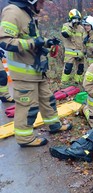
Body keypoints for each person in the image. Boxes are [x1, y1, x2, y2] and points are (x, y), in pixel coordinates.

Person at [0, 0, 72, 147]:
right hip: (24, 73)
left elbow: (31, 38)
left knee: (48, 99)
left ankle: (54, 125)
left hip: (36, 71)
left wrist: (47, 42)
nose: (42, 5)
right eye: (41, 1)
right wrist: (34, 43)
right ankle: (25, 139)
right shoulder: (13, 12)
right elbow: (6, 41)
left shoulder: (27, 14)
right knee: (28, 106)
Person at [61, 9, 85, 85]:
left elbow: (84, 39)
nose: (77, 20)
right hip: (70, 52)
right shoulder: (66, 26)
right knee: (68, 68)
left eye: (78, 19)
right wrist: (71, 26)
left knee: (80, 68)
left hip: (79, 52)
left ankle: (77, 82)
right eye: (75, 18)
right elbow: (65, 34)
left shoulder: (81, 28)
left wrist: (83, 52)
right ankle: (64, 83)